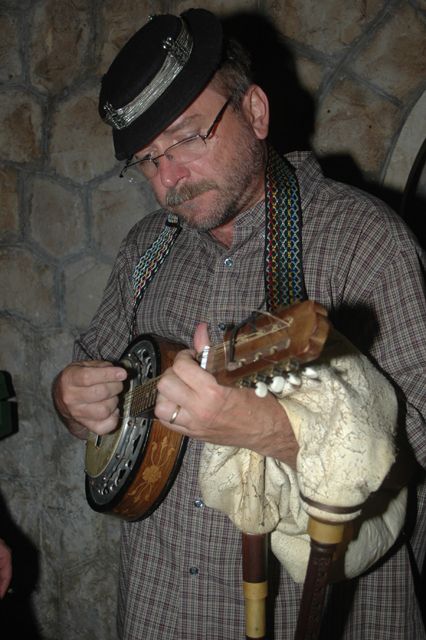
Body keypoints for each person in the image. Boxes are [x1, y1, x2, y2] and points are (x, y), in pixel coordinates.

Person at [53, 8, 426, 639]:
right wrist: (70, 400)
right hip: (157, 613)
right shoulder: (146, 249)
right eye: (148, 159)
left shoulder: (366, 244)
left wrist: (270, 430)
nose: (169, 179)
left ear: (255, 111)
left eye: (187, 138)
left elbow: (418, 439)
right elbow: (90, 371)